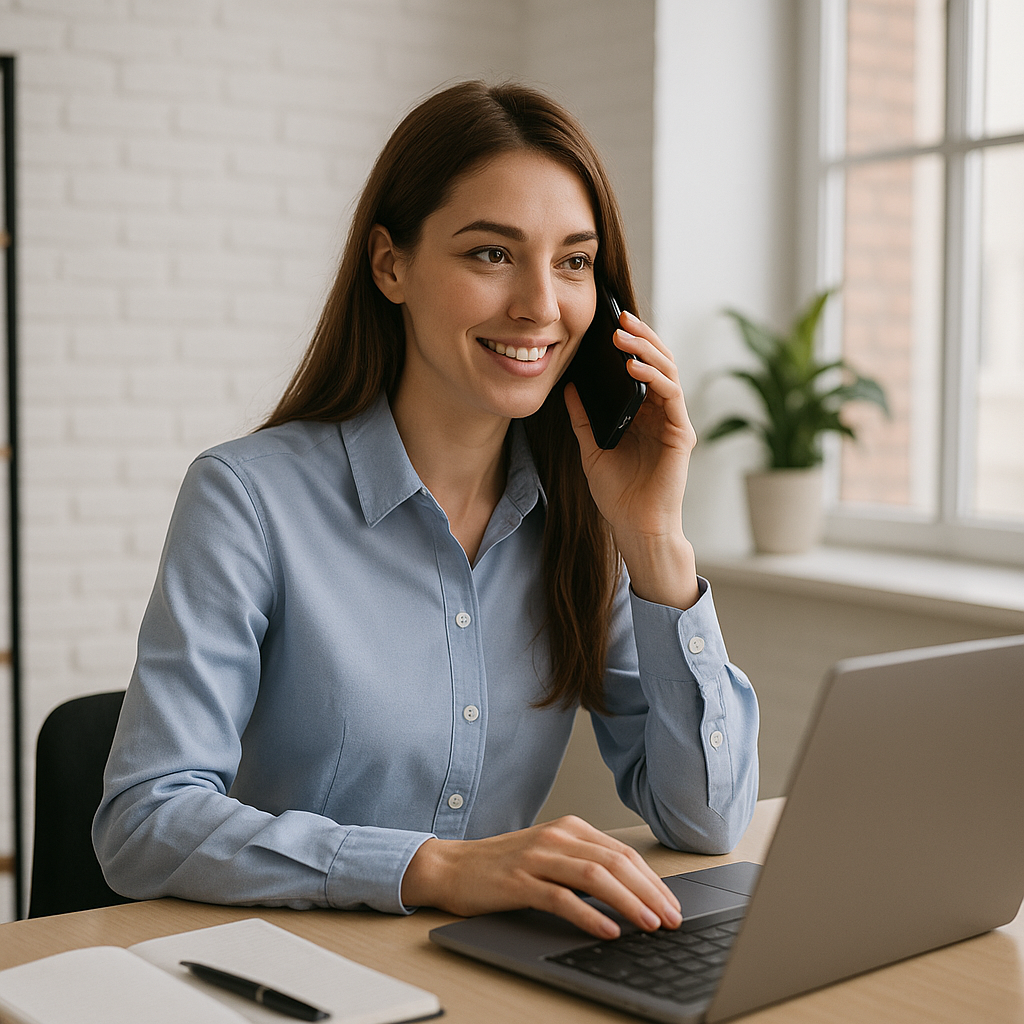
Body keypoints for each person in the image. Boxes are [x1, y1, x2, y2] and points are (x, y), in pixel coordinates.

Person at [93, 80, 758, 941]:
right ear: (390, 264)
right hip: (283, 972)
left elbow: (705, 822)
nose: (540, 306)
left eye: (574, 261)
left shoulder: (586, 517)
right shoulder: (247, 499)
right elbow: (143, 823)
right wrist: (435, 867)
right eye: (491, 254)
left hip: (483, 977)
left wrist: (655, 540)